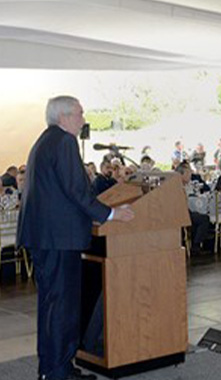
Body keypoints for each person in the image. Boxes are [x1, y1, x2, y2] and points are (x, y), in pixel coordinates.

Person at [17, 96, 135, 380]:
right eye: (80, 113)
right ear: (64, 116)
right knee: (63, 306)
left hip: (47, 236)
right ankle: (59, 371)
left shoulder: (46, 140)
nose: (83, 119)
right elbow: (76, 190)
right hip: (58, 238)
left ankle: (53, 367)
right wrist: (110, 214)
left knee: (52, 304)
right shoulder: (64, 141)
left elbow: (61, 192)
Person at [177, 163, 212, 254]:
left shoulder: (185, 184)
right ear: (181, 174)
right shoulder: (178, 186)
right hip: (181, 214)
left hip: (185, 211)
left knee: (199, 216)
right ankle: (196, 246)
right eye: (188, 173)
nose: (190, 176)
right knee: (204, 219)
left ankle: (195, 244)